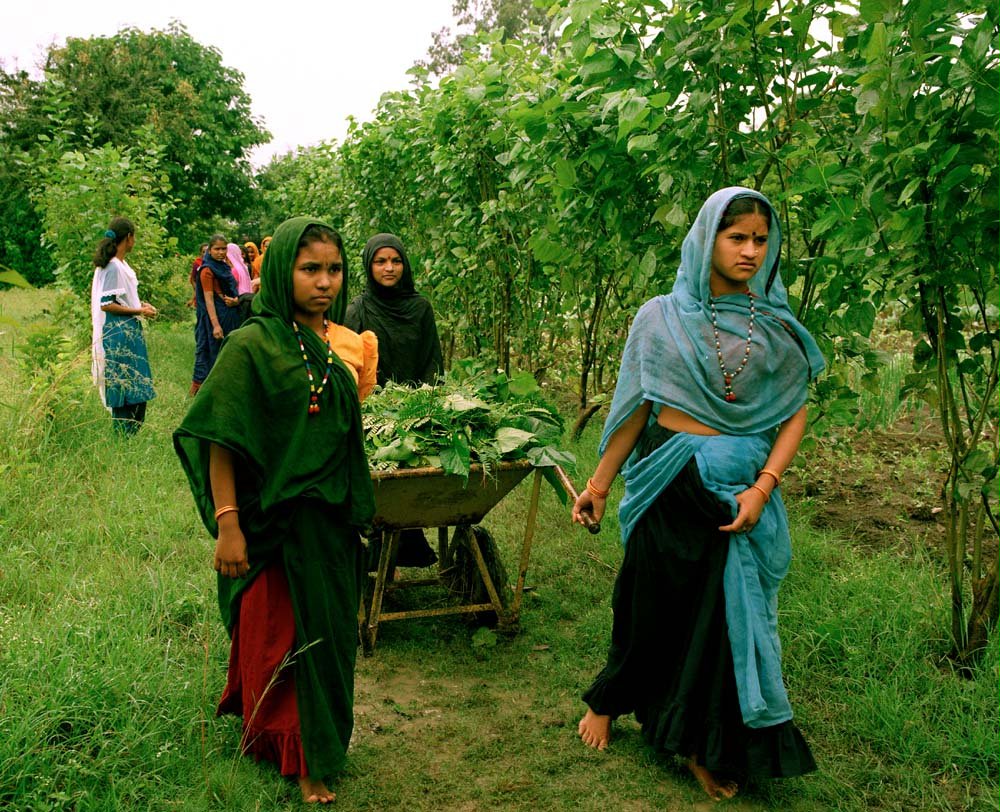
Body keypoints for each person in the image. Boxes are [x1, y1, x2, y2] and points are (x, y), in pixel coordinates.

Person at [572, 187, 825, 800]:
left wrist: (763, 489)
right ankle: (608, 699)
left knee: (721, 617)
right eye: (737, 237)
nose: (750, 250)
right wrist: (599, 485)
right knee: (647, 597)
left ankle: (702, 742)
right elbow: (638, 408)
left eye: (761, 240)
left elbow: (793, 413)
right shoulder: (660, 316)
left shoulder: (775, 324)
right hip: (670, 477)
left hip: (738, 489)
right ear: (706, 238)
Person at [174, 217, 376, 805]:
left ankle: (317, 743)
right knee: (283, 641)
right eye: (309, 269)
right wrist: (228, 523)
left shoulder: (339, 340)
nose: (324, 282)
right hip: (273, 526)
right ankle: (299, 754)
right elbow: (221, 435)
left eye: (334, 270)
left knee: (329, 637)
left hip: (329, 521)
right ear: (282, 268)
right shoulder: (252, 344)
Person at [345, 232, 444, 567]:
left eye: (396, 261)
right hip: (373, 414)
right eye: (381, 261)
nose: (389, 268)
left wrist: (424, 405)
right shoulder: (358, 309)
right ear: (369, 265)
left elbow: (432, 360)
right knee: (381, 492)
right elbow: (350, 364)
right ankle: (379, 548)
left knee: (411, 485)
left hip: (416, 411)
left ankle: (401, 546)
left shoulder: (420, 308)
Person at [90, 217, 157, 436]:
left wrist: (140, 305)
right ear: (128, 237)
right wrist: (138, 311)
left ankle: (131, 433)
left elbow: (121, 299)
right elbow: (106, 304)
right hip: (119, 331)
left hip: (128, 328)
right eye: (134, 236)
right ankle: (123, 433)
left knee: (136, 381)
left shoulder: (121, 265)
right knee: (124, 381)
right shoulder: (113, 267)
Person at [190, 235, 241, 395]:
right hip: (215, 318)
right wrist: (216, 325)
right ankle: (205, 391)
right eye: (217, 249)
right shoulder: (207, 270)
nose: (220, 252)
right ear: (209, 251)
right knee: (210, 353)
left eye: (223, 249)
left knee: (227, 353)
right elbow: (209, 299)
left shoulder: (224, 267)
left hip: (229, 314)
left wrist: (235, 302)